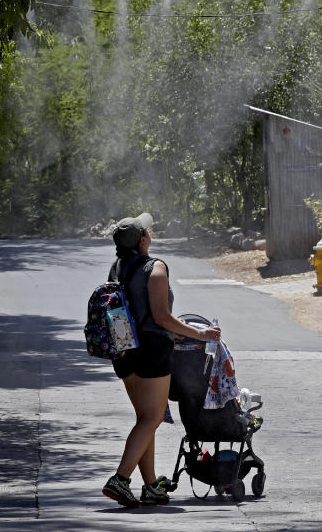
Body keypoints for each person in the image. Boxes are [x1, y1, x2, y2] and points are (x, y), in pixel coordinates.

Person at [101, 212, 221, 508]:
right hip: (152, 352)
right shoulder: (155, 267)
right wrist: (200, 333)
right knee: (153, 418)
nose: (151, 233)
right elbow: (161, 316)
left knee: (145, 420)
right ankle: (120, 479)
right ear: (143, 241)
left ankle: (151, 486)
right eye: (148, 231)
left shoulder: (117, 268)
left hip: (124, 351)